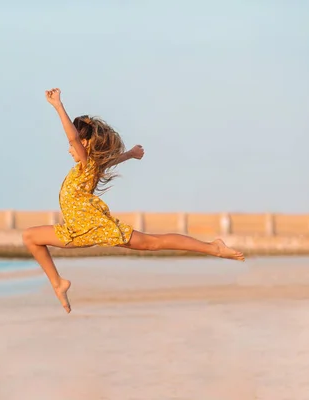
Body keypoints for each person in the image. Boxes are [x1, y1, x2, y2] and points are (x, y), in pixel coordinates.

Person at [22, 88, 245, 313]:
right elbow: (105, 162)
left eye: (74, 145)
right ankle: (58, 283)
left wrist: (58, 106)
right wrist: (129, 154)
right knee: (30, 236)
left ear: (85, 144)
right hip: (76, 229)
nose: (70, 148)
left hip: (91, 227)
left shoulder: (85, 162)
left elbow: (72, 136)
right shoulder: (89, 166)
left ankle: (214, 248)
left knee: (152, 243)